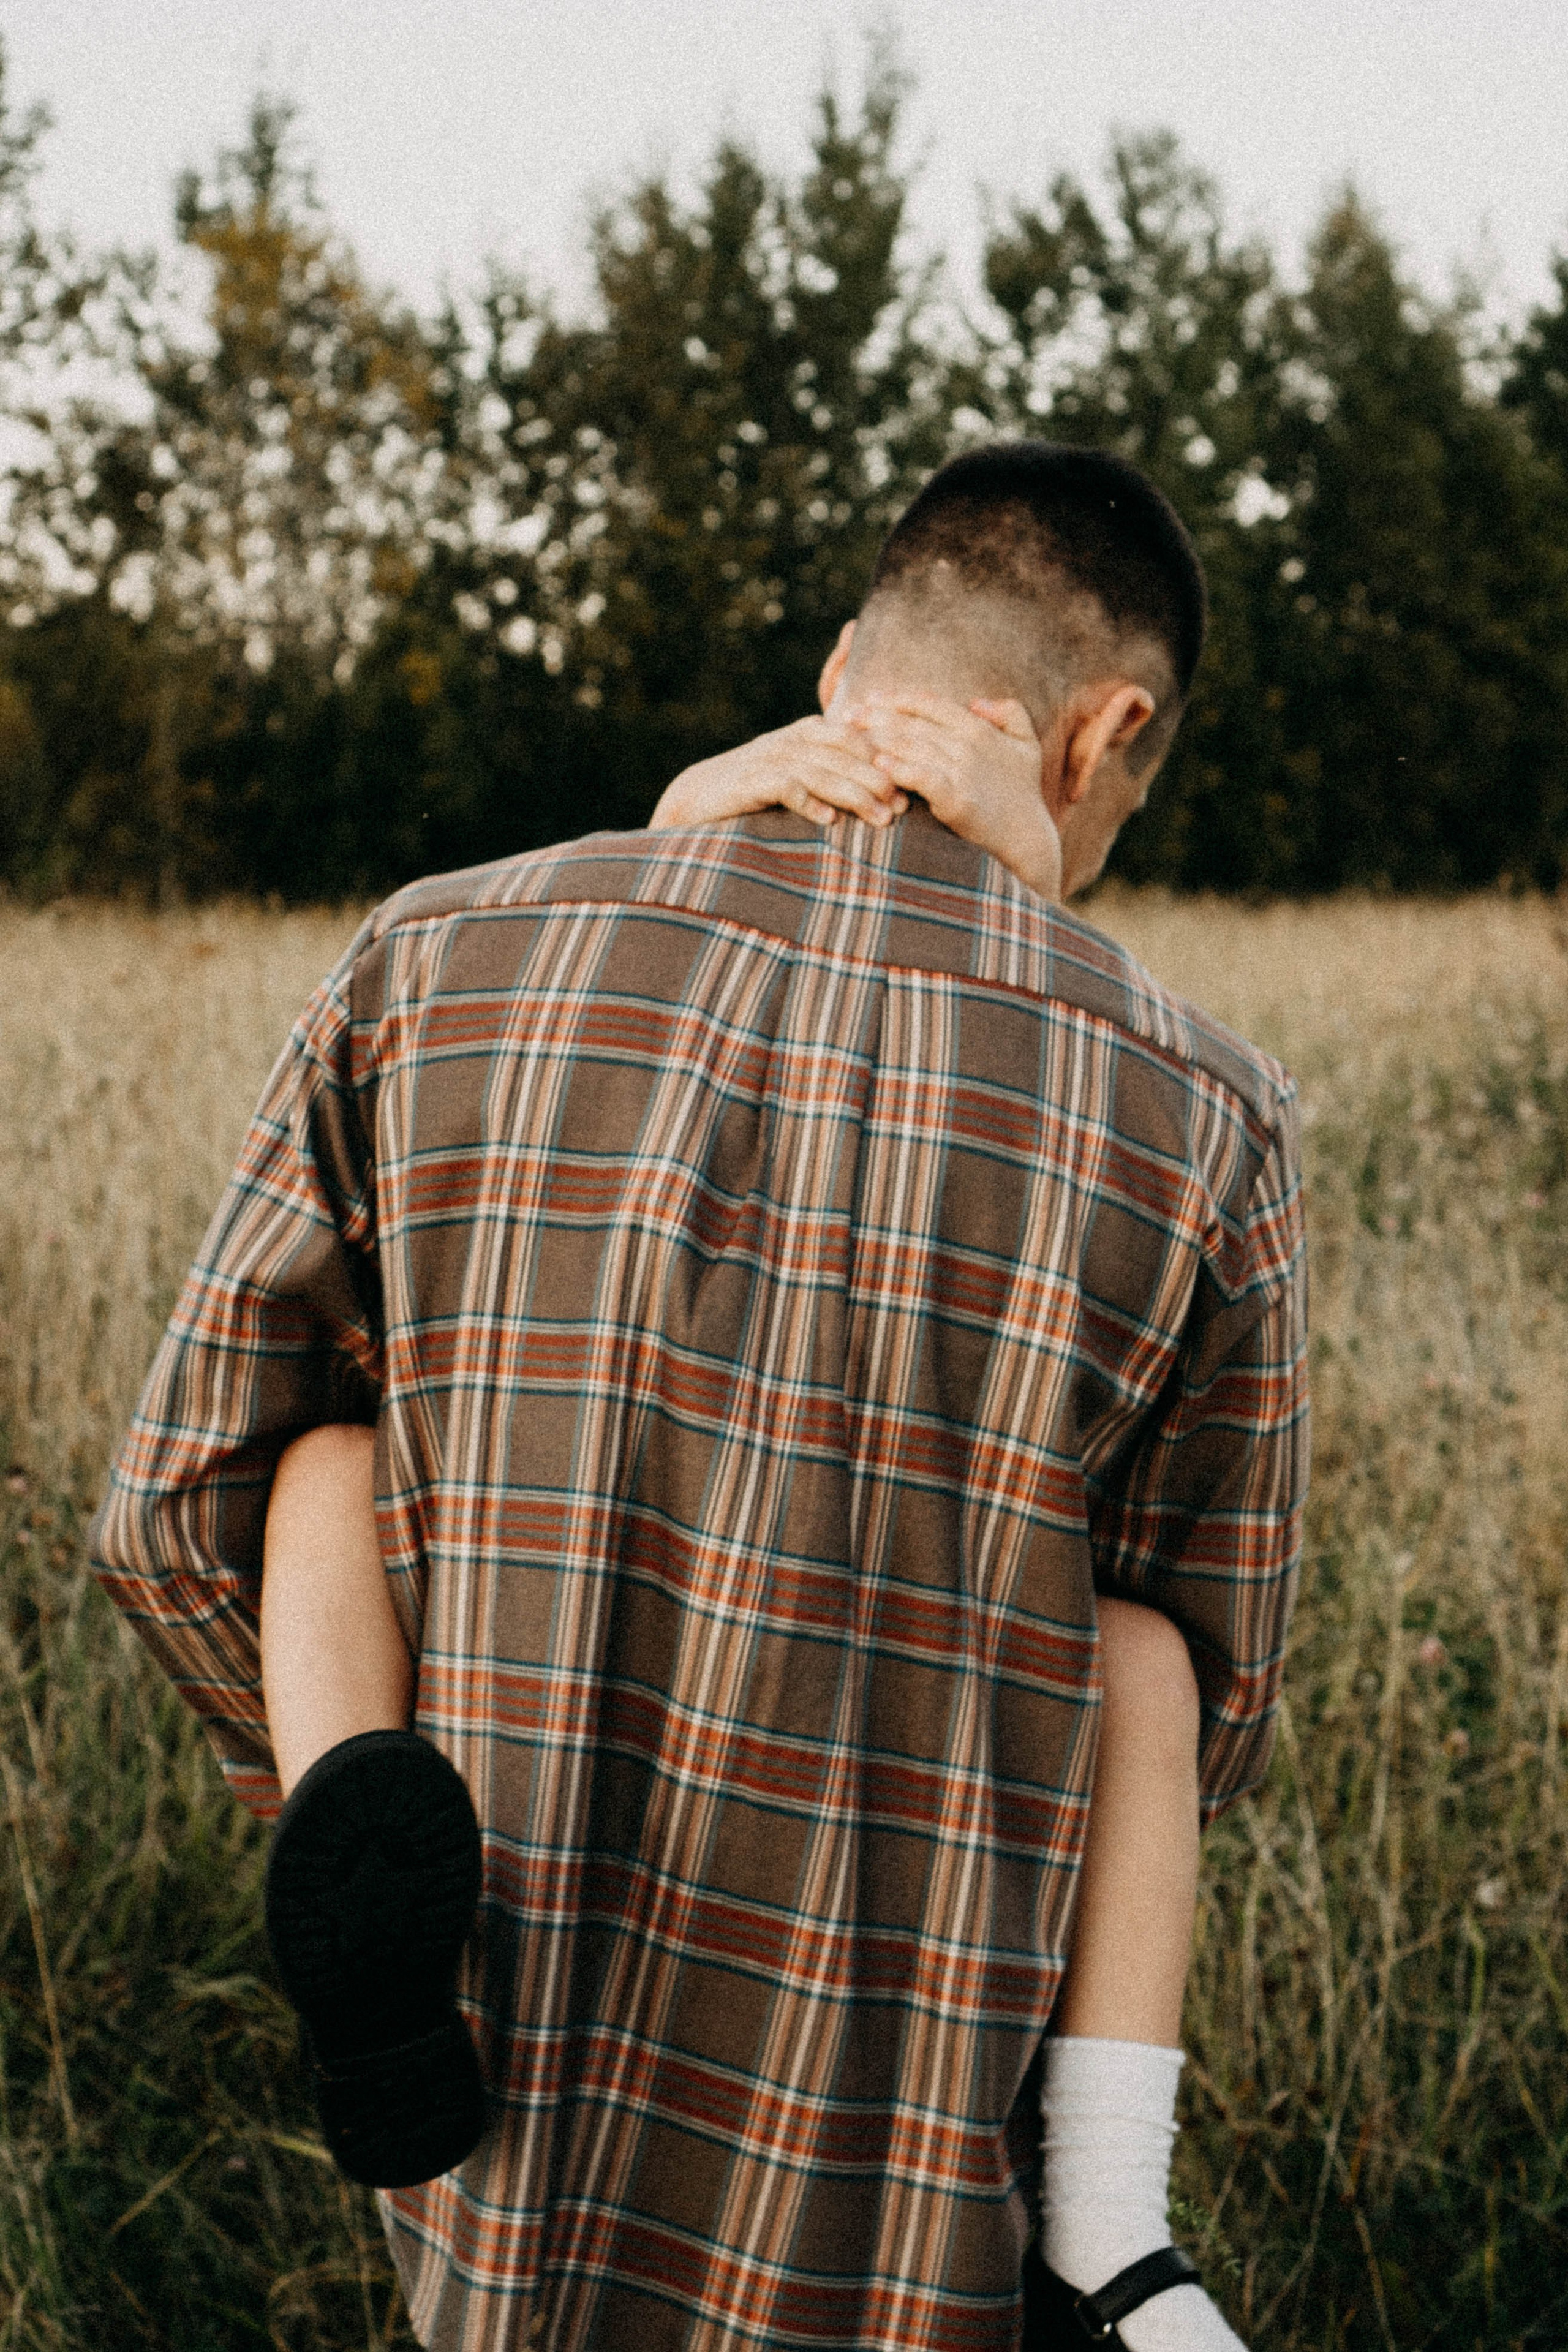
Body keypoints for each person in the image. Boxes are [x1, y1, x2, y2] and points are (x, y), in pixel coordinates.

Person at [92, 441, 1308, 2352]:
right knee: (1133, 1648)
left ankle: (368, 1802)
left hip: (508, 2101)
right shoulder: (1211, 1121)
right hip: (905, 2205)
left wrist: (383, 1775)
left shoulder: (435, 955)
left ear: (841, 677)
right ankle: (1119, 2231)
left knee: (328, 1452)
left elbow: (175, 1516)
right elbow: (1194, 1697)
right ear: (1104, 735)